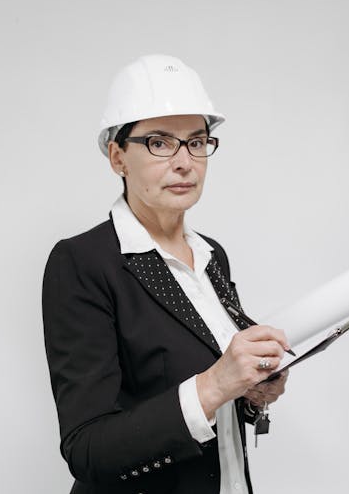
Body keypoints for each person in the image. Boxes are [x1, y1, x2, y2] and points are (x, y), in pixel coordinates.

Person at [42, 54, 290, 494]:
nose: (185, 162)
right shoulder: (83, 263)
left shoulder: (213, 256)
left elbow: (206, 388)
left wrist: (251, 392)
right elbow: (88, 448)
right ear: (118, 157)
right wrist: (214, 385)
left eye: (196, 141)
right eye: (160, 142)